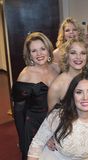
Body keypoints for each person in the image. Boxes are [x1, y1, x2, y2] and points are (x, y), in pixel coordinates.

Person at [27, 72, 88, 160]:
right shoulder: (59, 116)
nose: (85, 97)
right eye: (79, 92)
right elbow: (38, 142)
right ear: (72, 95)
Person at [11, 32, 59, 160]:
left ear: (48, 49)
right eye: (34, 51)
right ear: (29, 54)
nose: (39, 54)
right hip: (34, 128)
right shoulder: (25, 75)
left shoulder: (57, 68)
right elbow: (18, 111)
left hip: (56, 124)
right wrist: (22, 139)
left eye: (42, 49)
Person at [48, 39, 88, 110]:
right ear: (66, 56)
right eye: (73, 53)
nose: (78, 57)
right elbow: (51, 118)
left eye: (83, 53)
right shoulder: (56, 86)